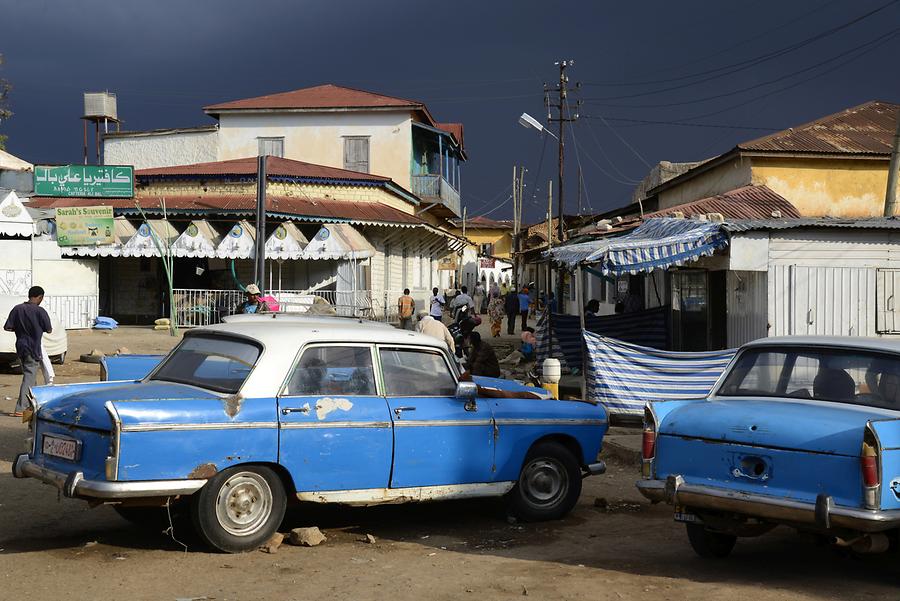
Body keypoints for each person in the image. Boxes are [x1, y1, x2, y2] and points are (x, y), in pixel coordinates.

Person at [4, 286, 52, 417]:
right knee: (29, 376)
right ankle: (21, 408)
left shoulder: (17, 309)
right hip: (33, 347)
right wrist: (35, 329)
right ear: (40, 297)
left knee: (31, 375)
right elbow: (49, 329)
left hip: (21, 346)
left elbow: (8, 327)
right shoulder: (40, 311)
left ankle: (32, 406)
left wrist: (21, 330)